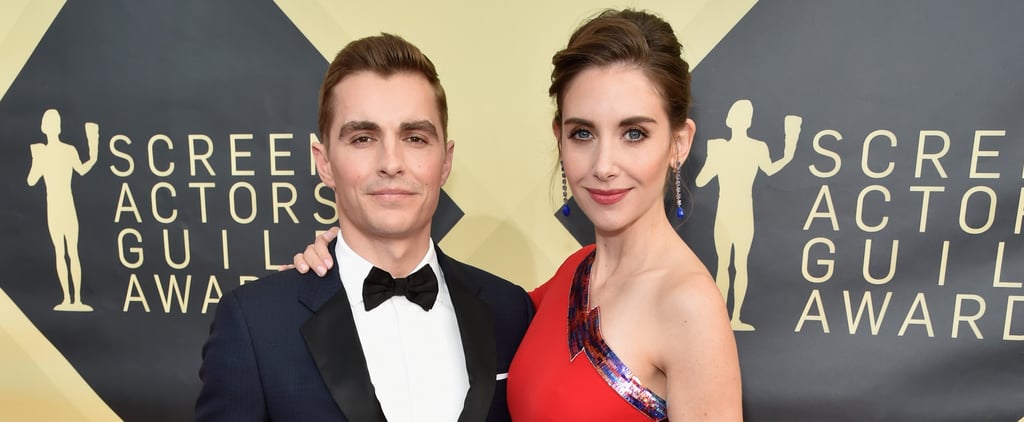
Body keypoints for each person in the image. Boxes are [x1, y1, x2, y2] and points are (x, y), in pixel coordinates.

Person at [294, 9, 742, 421]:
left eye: (634, 133)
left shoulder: (688, 306)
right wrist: (345, 261)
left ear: (679, 143)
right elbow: (456, 309)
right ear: (560, 139)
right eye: (583, 133)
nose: (604, 165)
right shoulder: (572, 275)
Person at [196, 33, 533, 422]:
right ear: (324, 163)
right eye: (362, 138)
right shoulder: (255, 324)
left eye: (415, 137)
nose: (391, 162)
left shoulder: (509, 310)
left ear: (445, 161)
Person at [696, 99, 801, 331]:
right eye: (742, 115)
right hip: (725, 212)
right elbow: (701, 181)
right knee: (726, 265)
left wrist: (790, 147)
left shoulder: (756, 147)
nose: (744, 119)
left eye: (746, 115)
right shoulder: (722, 147)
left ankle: (734, 318)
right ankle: (726, 318)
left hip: (742, 213)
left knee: (736, 265)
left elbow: (771, 168)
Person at [27, 109, 99, 312]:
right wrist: (36, 158)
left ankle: (75, 299)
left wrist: (94, 150)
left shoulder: (68, 151)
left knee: (70, 252)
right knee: (63, 252)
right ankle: (68, 299)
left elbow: (82, 169)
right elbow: (31, 180)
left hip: (66, 206)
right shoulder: (46, 152)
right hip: (56, 207)